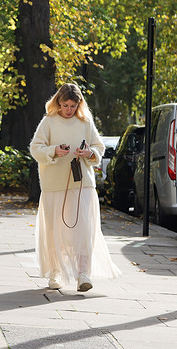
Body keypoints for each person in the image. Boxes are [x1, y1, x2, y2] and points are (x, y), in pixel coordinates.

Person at [30, 83, 121, 291]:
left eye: (73, 105)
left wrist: (88, 153)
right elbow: (36, 148)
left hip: (82, 184)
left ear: (79, 104)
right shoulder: (49, 122)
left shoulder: (86, 122)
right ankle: (55, 272)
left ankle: (83, 274)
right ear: (58, 103)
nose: (69, 110)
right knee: (55, 230)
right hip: (54, 184)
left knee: (83, 230)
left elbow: (99, 148)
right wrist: (54, 150)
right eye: (65, 105)